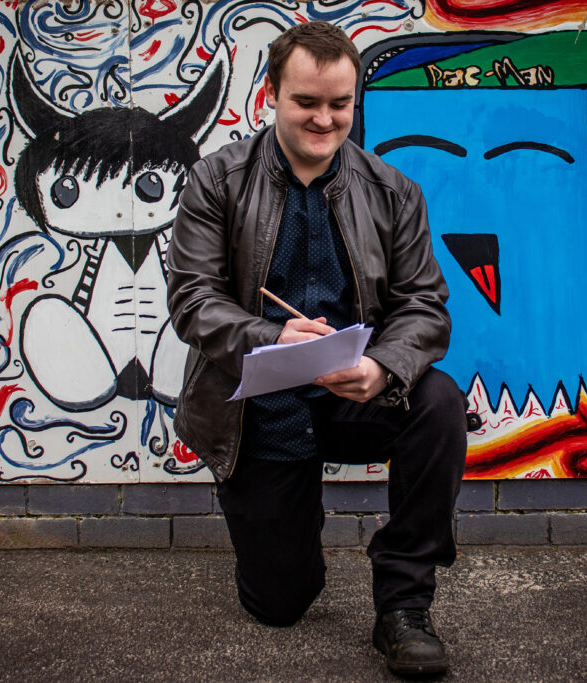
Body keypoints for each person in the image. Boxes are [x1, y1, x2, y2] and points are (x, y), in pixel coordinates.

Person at [166, 21, 468, 678]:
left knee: (439, 401)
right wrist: (271, 336)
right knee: (280, 602)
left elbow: (424, 304)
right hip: (260, 410)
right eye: (307, 101)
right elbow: (192, 300)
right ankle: (290, 538)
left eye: (340, 104)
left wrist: (382, 365)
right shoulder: (217, 182)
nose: (325, 119)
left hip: (353, 394)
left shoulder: (393, 191)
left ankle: (404, 603)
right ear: (271, 94)